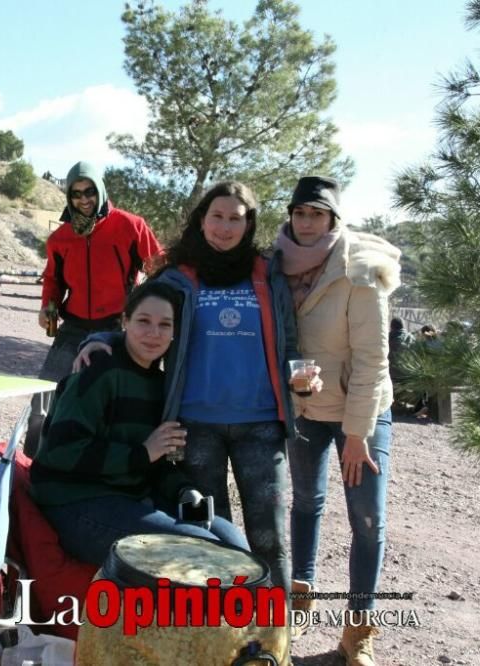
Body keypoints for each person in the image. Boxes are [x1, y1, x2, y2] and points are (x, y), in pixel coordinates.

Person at [73, 181, 308, 593]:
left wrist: (303, 382)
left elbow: (289, 340)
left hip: (262, 423)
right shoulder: (179, 277)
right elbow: (140, 318)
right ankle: (220, 633)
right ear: (201, 220)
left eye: (236, 218)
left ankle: (277, 636)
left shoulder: (267, 273)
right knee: (210, 534)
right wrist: (100, 340)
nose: (224, 226)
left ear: (249, 224)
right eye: (216, 216)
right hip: (195, 427)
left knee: (270, 538)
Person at [31, 280, 248, 565]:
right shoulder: (97, 373)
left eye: (165, 325)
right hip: (75, 502)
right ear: (125, 322)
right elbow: (61, 450)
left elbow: (161, 460)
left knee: (234, 543)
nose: (154, 334)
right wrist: (142, 453)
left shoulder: (164, 386)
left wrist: (184, 490)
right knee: (208, 555)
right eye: (144, 321)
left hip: (131, 498)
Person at [274, 176, 400, 666]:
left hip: (360, 414)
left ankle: (357, 632)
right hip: (307, 407)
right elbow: (278, 341)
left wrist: (356, 434)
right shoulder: (275, 265)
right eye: (300, 213)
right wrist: (293, 385)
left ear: (333, 218)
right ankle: (299, 605)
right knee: (305, 503)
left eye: (317, 214)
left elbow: (373, 360)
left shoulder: (361, 272)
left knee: (367, 519)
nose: (307, 223)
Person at [26, 161, 162, 456]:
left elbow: (159, 266)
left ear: (99, 190)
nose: (84, 199)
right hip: (73, 326)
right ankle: (31, 465)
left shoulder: (130, 225)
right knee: (43, 398)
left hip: (116, 327)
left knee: (111, 401)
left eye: (89, 191)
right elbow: (53, 280)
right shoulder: (60, 237)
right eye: (76, 193)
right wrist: (48, 308)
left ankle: (107, 464)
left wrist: (152, 309)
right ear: (68, 197)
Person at [388, 317, 414, 409]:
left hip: (391, 373)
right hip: (409, 372)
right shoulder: (411, 337)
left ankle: (392, 401)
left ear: (392, 327)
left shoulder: (388, 337)